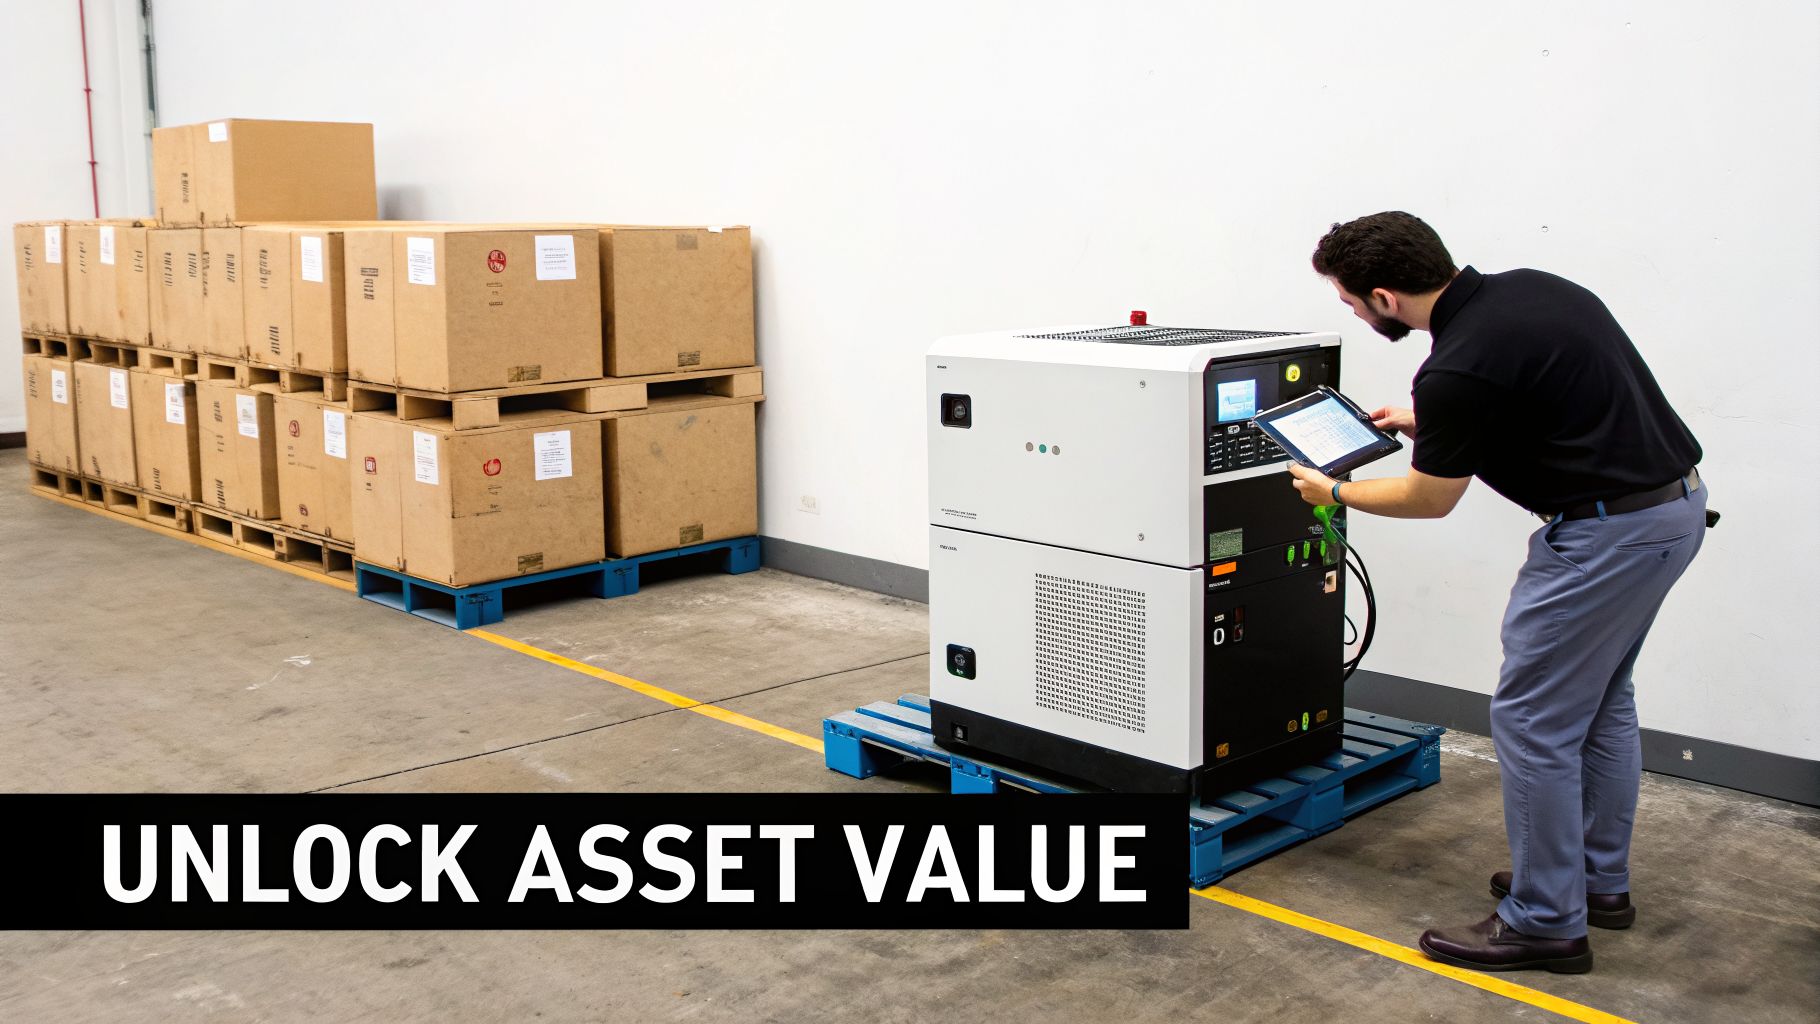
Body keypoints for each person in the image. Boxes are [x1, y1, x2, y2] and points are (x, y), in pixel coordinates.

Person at [1288, 211, 1708, 974]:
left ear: (1384, 296)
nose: (1349, 311)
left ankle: (1546, 921)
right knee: (1603, 701)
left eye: (1349, 301)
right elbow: (1549, 400)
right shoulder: (1533, 293)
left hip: (1603, 538)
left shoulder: (1456, 369)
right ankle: (1593, 881)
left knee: (1532, 720)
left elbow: (1428, 499)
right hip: (1670, 512)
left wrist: (1333, 492)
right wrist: (1432, 422)